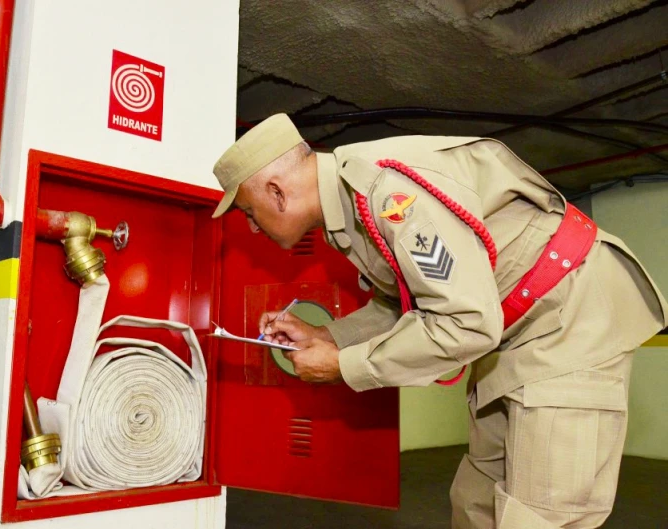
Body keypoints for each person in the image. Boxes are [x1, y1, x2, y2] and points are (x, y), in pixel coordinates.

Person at [210, 113, 667, 529]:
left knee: (539, 517)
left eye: (250, 212)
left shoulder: (389, 192)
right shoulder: (351, 206)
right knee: (478, 502)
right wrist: (329, 335)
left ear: (277, 192)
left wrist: (343, 365)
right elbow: (408, 302)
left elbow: (465, 320)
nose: (252, 227)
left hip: (567, 320)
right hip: (510, 331)